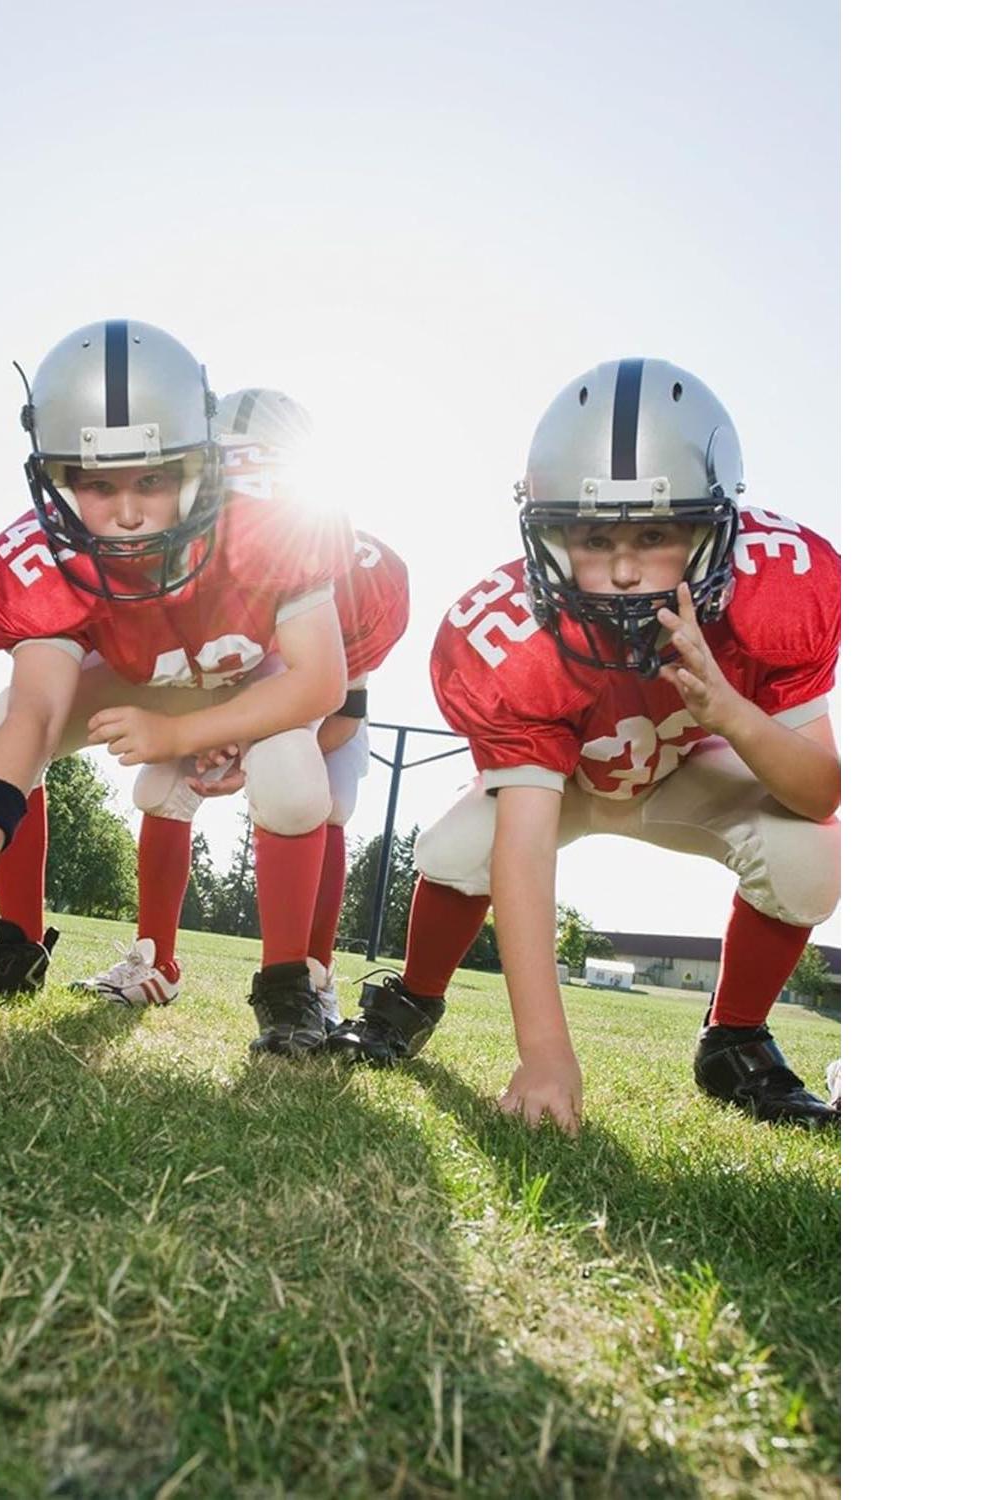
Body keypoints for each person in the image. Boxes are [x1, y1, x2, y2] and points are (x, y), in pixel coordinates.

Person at [328, 358, 840, 1133]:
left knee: (812, 855)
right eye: (596, 536)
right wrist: (545, 1051)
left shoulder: (776, 592)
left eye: (657, 533)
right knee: (458, 850)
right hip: (566, 782)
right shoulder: (513, 639)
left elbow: (821, 792)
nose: (626, 569)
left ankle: (733, 1038)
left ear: (714, 527)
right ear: (548, 532)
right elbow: (525, 848)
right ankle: (411, 1000)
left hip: (686, 766)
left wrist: (733, 713)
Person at [0, 321, 355, 1056]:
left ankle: (287, 983)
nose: (125, 510)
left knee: (295, 780)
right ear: (56, 478)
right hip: (143, 670)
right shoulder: (39, 556)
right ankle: (16, 934)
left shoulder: (272, 520)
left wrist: (182, 737)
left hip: (256, 675)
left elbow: (320, 681)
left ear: (201, 464)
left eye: (152, 477)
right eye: (96, 482)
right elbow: (39, 710)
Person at [72, 389, 410, 1021]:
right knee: (159, 788)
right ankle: (156, 960)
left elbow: (340, 715)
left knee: (313, 789)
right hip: (213, 681)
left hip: (303, 704)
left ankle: (307, 976)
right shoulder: (171, 541)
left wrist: (246, 744)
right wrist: (203, 731)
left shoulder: (342, 560)